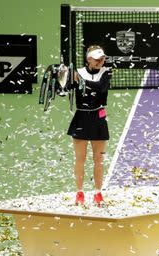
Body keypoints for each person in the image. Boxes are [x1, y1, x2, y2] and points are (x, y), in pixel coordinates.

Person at [67, 45, 112, 207]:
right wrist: (63, 80)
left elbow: (100, 88)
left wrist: (80, 80)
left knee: (98, 160)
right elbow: (66, 90)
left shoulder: (106, 72)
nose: (101, 61)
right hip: (81, 117)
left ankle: (98, 194)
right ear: (89, 59)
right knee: (80, 159)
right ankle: (79, 193)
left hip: (99, 117)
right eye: (97, 59)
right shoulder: (77, 73)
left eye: (103, 58)